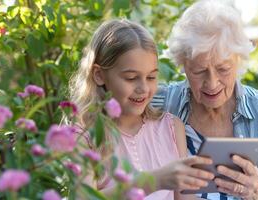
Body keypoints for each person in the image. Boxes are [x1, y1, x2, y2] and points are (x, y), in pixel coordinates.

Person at [151, 0, 258, 199]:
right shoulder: (162, 103)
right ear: (183, 65)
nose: (212, 83)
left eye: (223, 69)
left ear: (239, 61)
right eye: (199, 71)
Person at [68, 19, 214, 199]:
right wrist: (154, 180)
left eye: (151, 77)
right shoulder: (83, 134)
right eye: (131, 78)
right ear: (99, 75)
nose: (143, 88)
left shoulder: (171, 128)